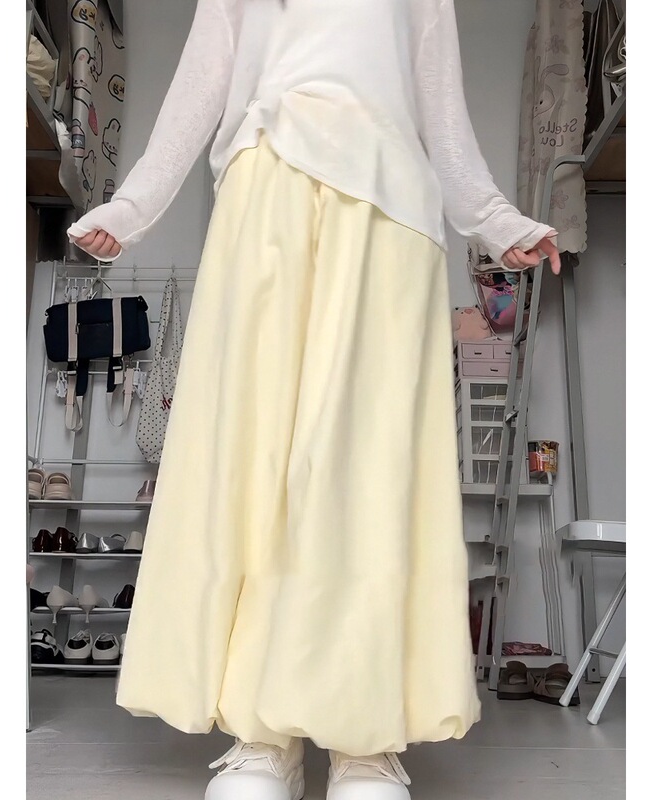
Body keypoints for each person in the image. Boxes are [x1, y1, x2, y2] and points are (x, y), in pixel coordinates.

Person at [68, 2, 560, 799]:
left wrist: (494, 219)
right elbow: (202, 79)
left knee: (366, 469)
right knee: (253, 456)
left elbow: (441, 104)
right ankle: (264, 736)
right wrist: (133, 206)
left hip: (389, 203)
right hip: (266, 188)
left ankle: (364, 739)